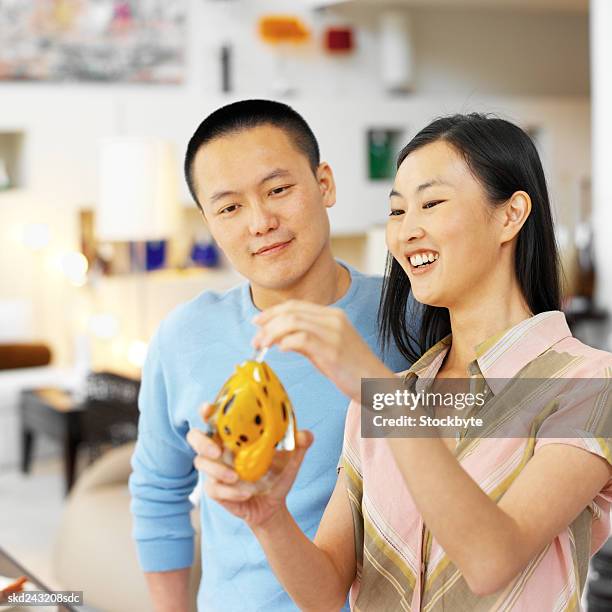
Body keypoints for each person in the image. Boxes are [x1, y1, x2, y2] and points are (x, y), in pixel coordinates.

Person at [191, 113, 612, 610]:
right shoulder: (389, 398)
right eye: (396, 211)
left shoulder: (586, 383)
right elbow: (326, 592)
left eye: (431, 203)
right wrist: (268, 517)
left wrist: (372, 384)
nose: (406, 232)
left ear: (510, 214)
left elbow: (491, 558)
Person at [128, 99, 411, 612]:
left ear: (324, 183)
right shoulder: (184, 336)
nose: (260, 222)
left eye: (278, 190)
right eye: (230, 207)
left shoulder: (414, 315)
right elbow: (158, 494)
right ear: (209, 222)